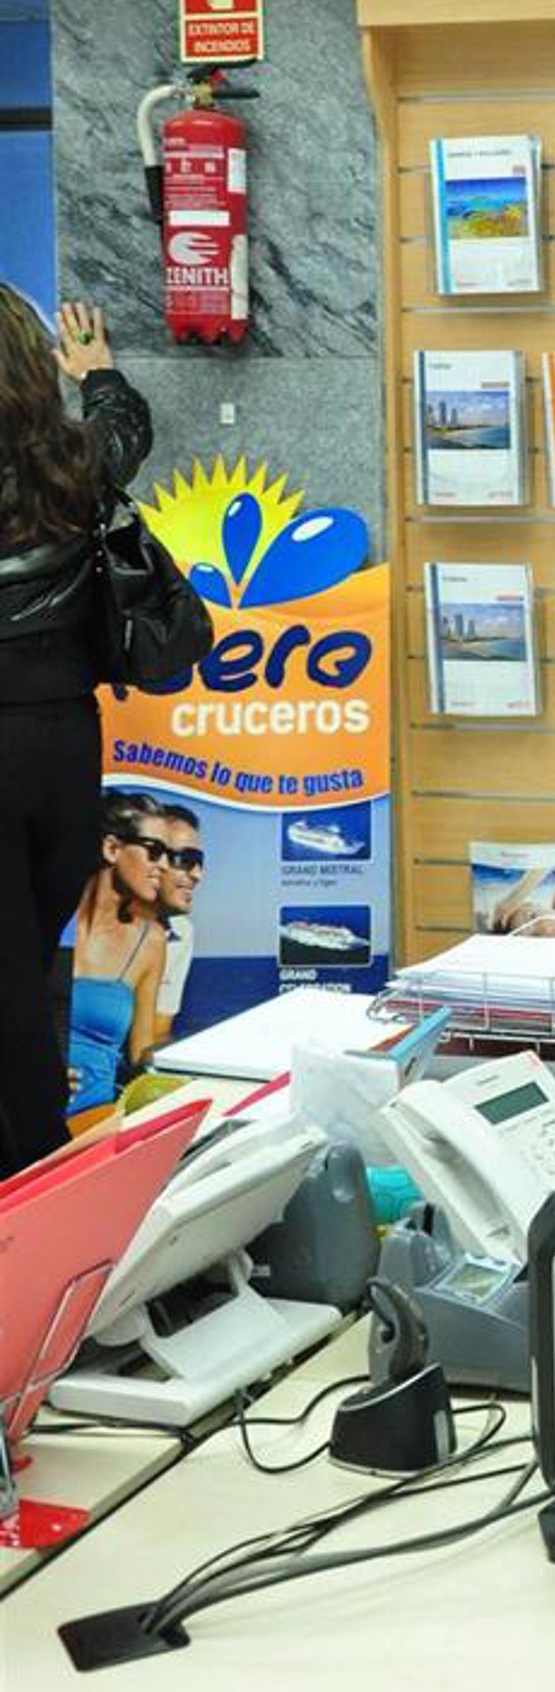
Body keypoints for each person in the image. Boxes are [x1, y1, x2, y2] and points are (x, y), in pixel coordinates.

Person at [0, 292, 153, 1174]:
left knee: (12, 978)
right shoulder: (72, 463)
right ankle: (40, 1164)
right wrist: (97, 373)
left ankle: (35, 1166)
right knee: (24, 959)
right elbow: (127, 429)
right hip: (64, 743)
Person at [67, 789, 170, 1111]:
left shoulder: (151, 942)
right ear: (112, 848)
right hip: (21, 1121)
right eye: (154, 851)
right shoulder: (37, 923)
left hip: (93, 1123)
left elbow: (141, 1056)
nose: (164, 866)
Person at [151, 799, 205, 1044]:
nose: (197, 875)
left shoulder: (181, 933)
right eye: (186, 859)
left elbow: (157, 1033)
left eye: (200, 862)